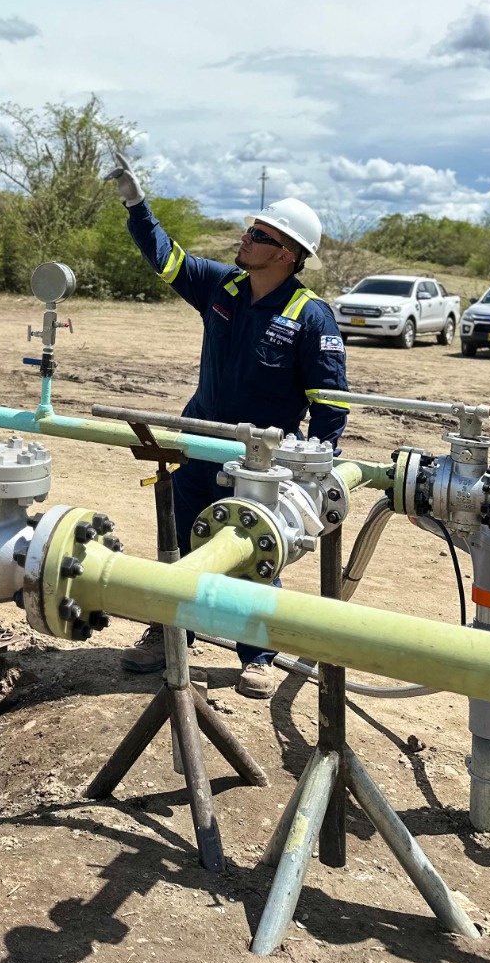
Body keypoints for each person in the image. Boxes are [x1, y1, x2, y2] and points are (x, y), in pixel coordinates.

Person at [107, 154, 348, 699]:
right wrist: (136, 203)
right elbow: (165, 257)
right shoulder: (223, 287)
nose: (246, 237)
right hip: (199, 445)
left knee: (251, 551)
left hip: (258, 463)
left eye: (260, 234)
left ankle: (258, 655)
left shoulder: (310, 315)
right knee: (180, 544)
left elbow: (330, 403)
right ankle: (171, 634)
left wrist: (313, 467)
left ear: (286, 254)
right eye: (250, 228)